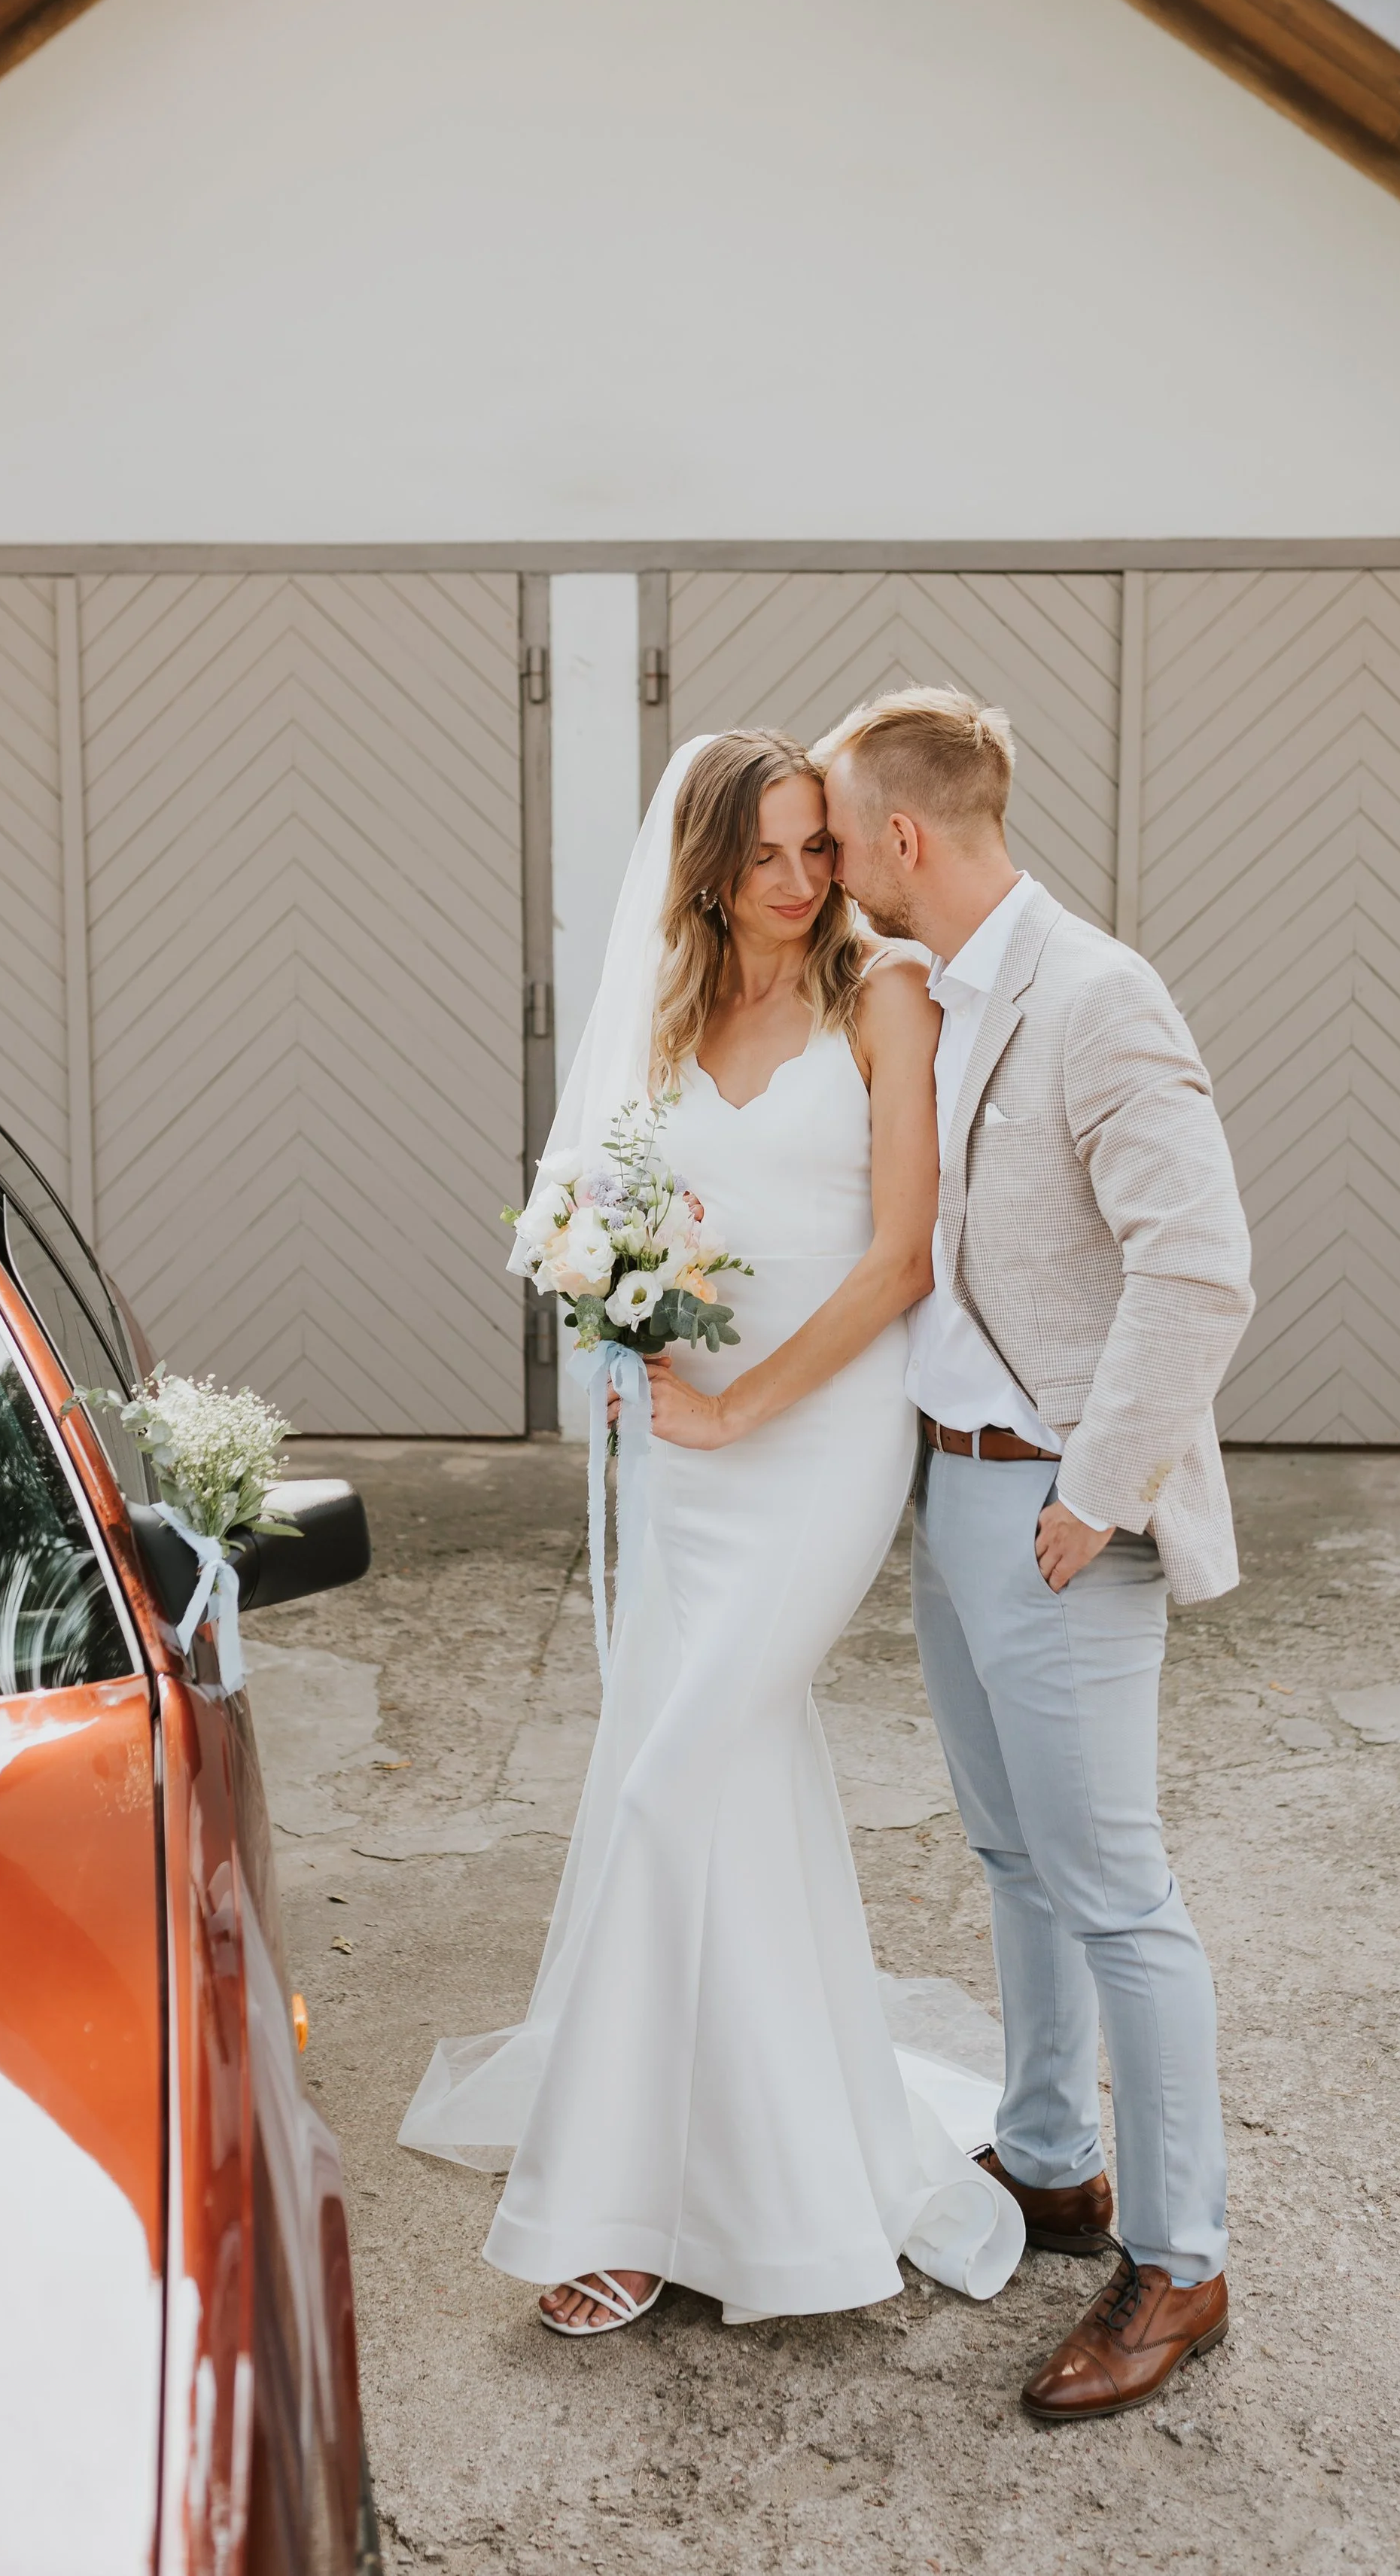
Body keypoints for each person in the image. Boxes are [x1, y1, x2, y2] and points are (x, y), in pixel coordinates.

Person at [400, 729, 1025, 2332]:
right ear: (703, 867)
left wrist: (743, 1409)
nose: (802, 880)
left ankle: (610, 2208)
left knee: (670, 1788)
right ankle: (758, 2151)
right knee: (707, 1781)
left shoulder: (878, 995)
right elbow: (591, 1216)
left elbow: (895, 1261)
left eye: (818, 848)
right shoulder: (672, 1014)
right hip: (682, 1453)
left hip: (813, 1447)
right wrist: (624, 1337)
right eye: (766, 856)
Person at [815, 684, 1255, 2422]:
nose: (829, 862)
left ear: (899, 839)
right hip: (957, 1495)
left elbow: (1198, 1265)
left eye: (838, 835)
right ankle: (1051, 2162)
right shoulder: (943, 990)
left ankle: (1179, 2261)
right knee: (1009, 1858)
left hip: (1061, 1514)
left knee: (1119, 1900)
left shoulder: (1096, 996)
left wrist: (1098, 1487)